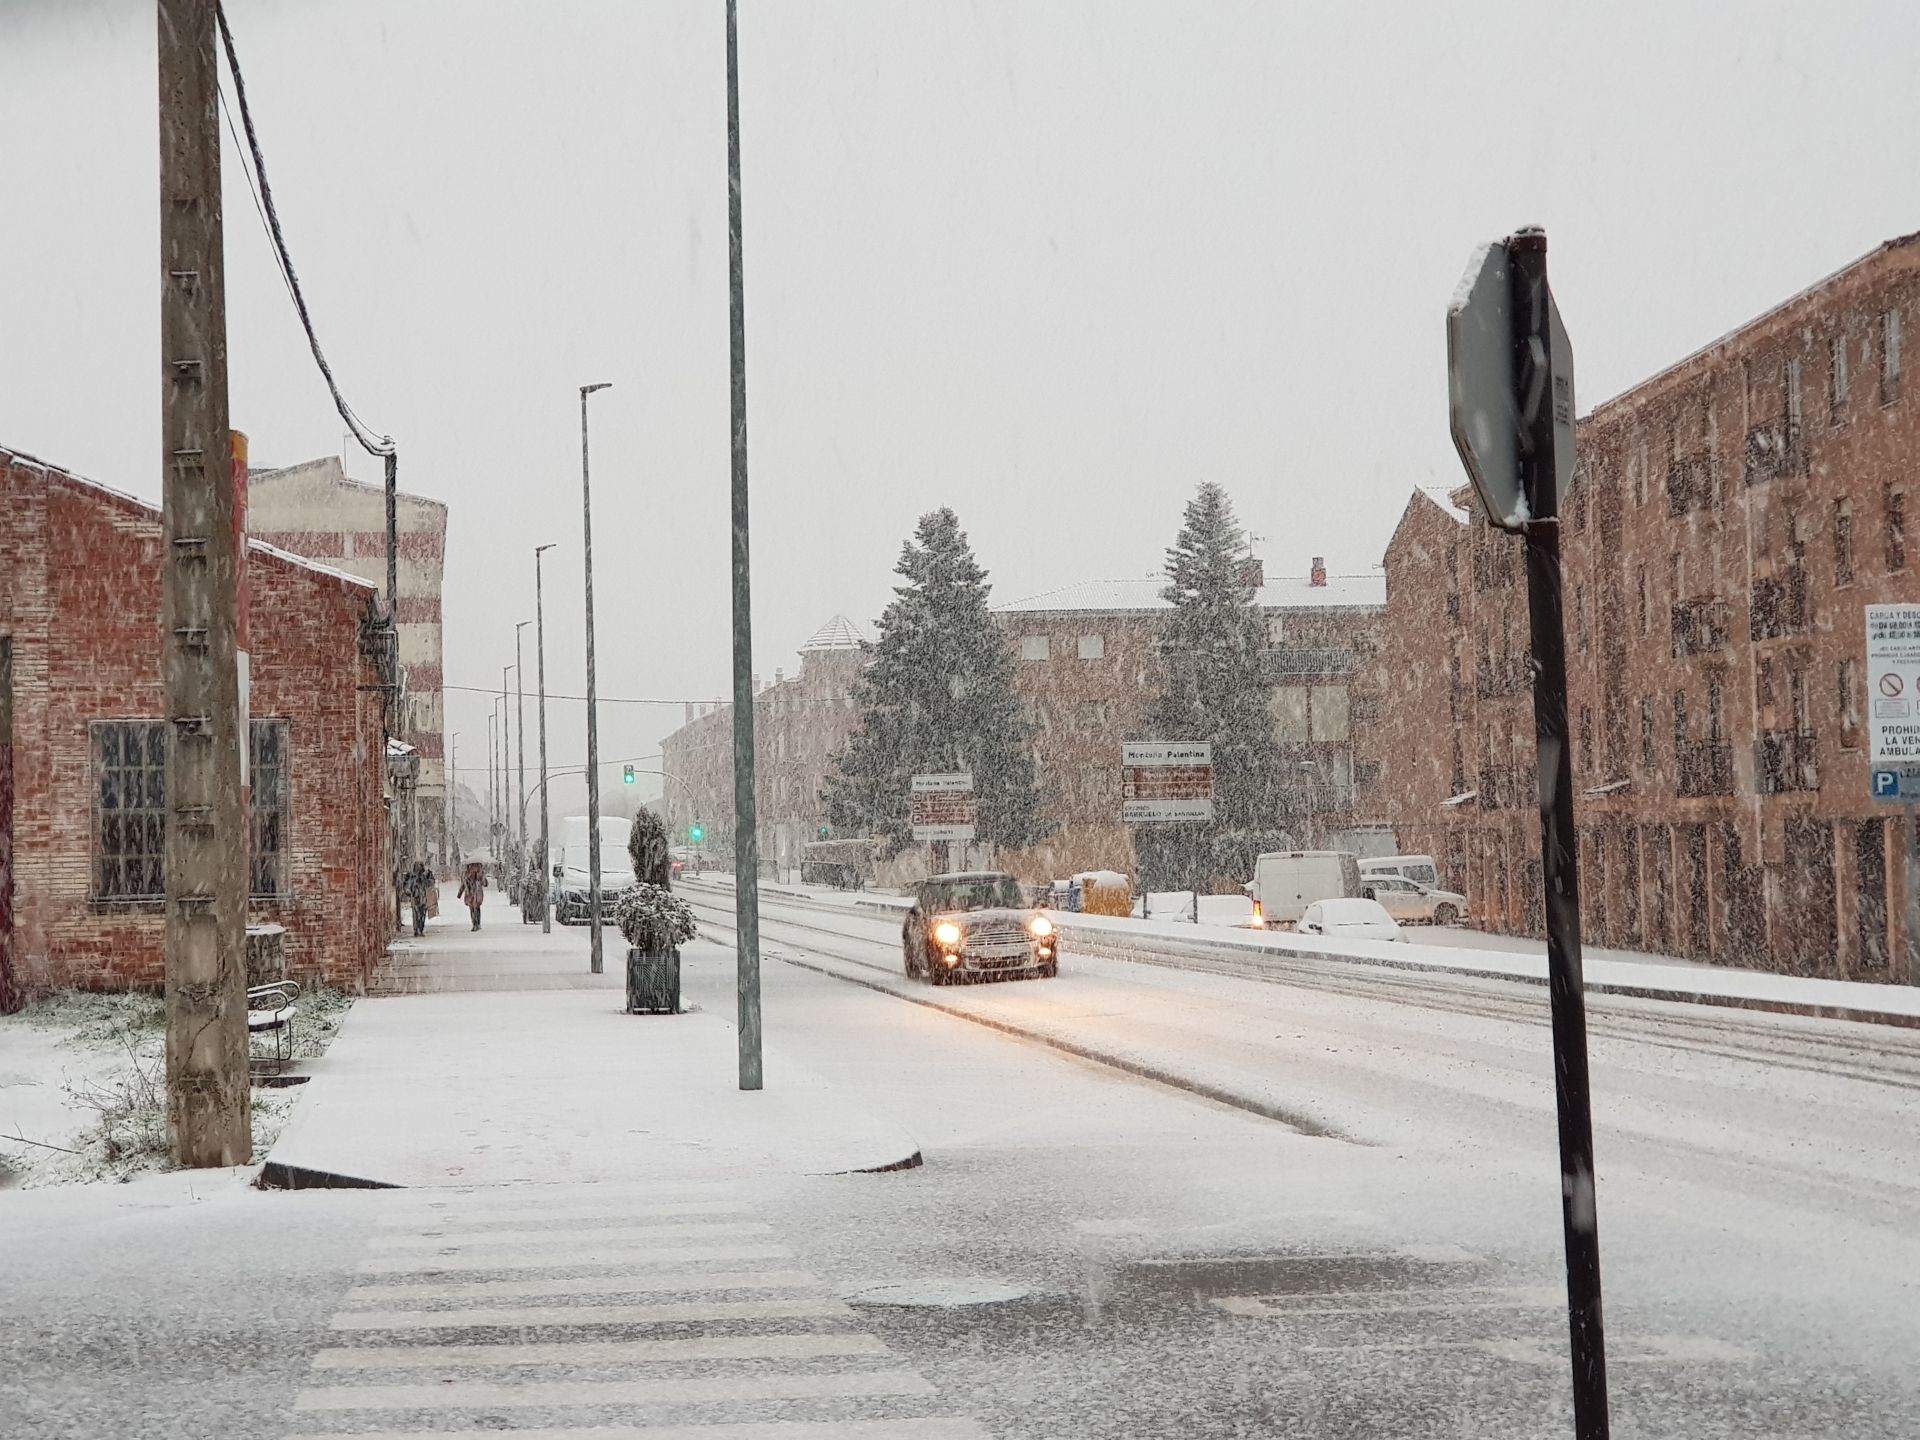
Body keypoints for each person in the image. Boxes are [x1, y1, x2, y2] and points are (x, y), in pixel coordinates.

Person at [406, 860, 433, 937]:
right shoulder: (412, 877)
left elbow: (430, 884)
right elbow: (408, 887)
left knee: (422, 915)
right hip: (415, 898)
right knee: (416, 914)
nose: (419, 869)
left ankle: (420, 929)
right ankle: (416, 929)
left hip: (423, 898)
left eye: (420, 867)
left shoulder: (425, 876)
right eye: (418, 867)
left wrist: (427, 878)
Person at [459, 862, 487, 932]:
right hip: (475, 893)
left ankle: (475, 924)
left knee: (473, 908)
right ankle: (477, 924)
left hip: (471, 893)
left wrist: (460, 893)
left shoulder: (467, 873)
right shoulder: (479, 872)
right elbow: (485, 883)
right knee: (476, 908)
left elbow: (463, 883)